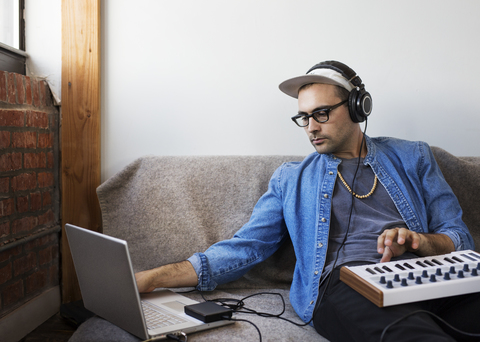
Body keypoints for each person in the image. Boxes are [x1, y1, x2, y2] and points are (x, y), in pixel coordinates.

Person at [136, 61, 479, 341]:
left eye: (322, 113)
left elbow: (458, 237)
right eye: (304, 117)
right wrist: (153, 278)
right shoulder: (291, 179)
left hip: (425, 279)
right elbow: (244, 248)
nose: (311, 127)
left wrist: (419, 241)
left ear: (359, 107)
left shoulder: (413, 156)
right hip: (346, 285)